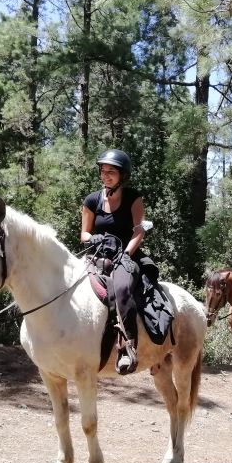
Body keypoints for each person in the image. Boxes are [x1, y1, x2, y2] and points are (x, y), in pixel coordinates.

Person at [81, 148, 145, 374]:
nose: (105, 175)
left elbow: (139, 231)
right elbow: (84, 234)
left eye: (111, 172)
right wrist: (95, 238)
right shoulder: (91, 200)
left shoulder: (133, 198)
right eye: (103, 171)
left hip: (125, 257)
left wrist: (125, 254)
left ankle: (127, 346)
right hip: (96, 255)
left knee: (122, 288)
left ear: (122, 176)